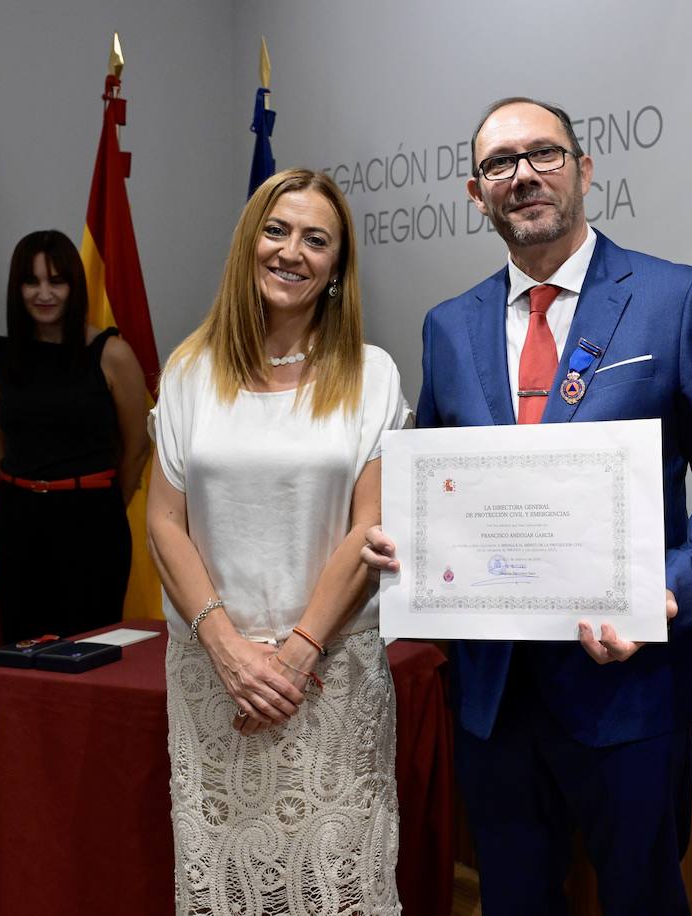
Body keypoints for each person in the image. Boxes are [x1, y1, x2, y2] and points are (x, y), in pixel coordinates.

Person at [362, 97, 692, 915]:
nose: (523, 176)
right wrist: (402, 544)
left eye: (543, 154)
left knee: (643, 900)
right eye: (500, 164)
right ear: (478, 196)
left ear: (584, 169)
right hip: (494, 696)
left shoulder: (675, 299)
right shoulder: (447, 327)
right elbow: (441, 483)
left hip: (632, 687)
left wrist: (672, 588)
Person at [146, 169, 409, 915]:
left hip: (330, 679)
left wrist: (296, 654)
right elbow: (164, 521)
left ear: (336, 267)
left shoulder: (370, 374)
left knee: (338, 889)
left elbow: (371, 527)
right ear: (249, 243)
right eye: (277, 230)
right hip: (213, 681)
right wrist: (229, 649)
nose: (292, 251)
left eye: (316, 239)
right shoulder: (191, 371)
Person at [0, 229, 149, 642]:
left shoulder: (112, 353)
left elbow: (137, 447)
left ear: (74, 286)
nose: (44, 293)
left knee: (90, 651)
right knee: (23, 653)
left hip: (92, 521)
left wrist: (102, 500)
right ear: (16, 288)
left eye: (56, 281)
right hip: (17, 520)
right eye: (32, 281)